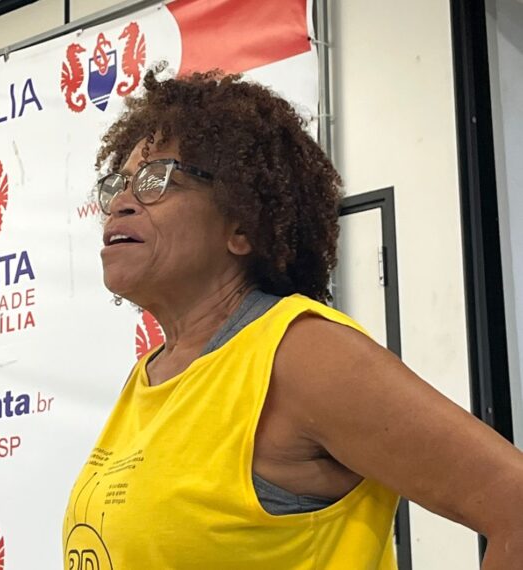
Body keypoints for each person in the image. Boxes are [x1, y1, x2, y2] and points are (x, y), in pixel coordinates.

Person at [62, 70, 523, 569]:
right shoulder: (150, 375)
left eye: (157, 180)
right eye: (117, 186)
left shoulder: (301, 354)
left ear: (241, 225)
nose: (121, 204)